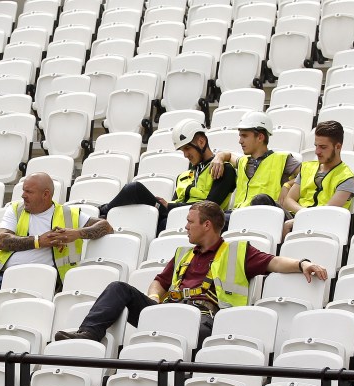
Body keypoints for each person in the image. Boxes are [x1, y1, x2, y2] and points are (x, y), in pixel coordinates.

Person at [54, 200, 329, 347]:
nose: (185, 227)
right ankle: (89, 333)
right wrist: (153, 299)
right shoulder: (182, 254)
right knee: (118, 288)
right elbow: (160, 282)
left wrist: (303, 263)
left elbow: (274, 262)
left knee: (189, 329)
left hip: (206, 319)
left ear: (207, 225)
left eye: (189, 222)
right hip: (168, 312)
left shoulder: (238, 251)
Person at [96, 119, 236, 234]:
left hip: (200, 219)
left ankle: (100, 213)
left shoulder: (223, 169)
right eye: (182, 150)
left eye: (187, 148)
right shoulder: (184, 176)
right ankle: (103, 219)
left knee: (134, 189)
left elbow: (210, 207)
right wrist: (167, 205)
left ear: (201, 142)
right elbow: (177, 201)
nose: (185, 155)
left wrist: (169, 207)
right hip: (176, 216)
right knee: (141, 214)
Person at [0, 172, 113, 287]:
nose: (23, 195)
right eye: (23, 190)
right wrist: (39, 241)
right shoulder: (15, 209)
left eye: (29, 191)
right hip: (4, 274)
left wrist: (77, 233)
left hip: (44, 280)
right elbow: (0, 241)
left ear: (45, 194)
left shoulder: (68, 214)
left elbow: (106, 227)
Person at [281, 120, 354, 235]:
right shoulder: (307, 168)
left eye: (323, 147)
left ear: (338, 147)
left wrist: (298, 219)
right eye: (316, 146)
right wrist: (303, 214)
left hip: (321, 226)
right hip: (297, 217)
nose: (317, 151)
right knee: (262, 201)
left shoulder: (346, 178)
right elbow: (288, 201)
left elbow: (325, 213)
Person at [210, 111, 301, 210]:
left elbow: (308, 174)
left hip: (266, 214)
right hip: (237, 214)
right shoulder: (243, 161)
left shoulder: (282, 159)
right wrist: (219, 156)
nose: (240, 141)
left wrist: (287, 185)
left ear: (260, 137)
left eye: (244, 136)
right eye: (240, 136)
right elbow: (229, 155)